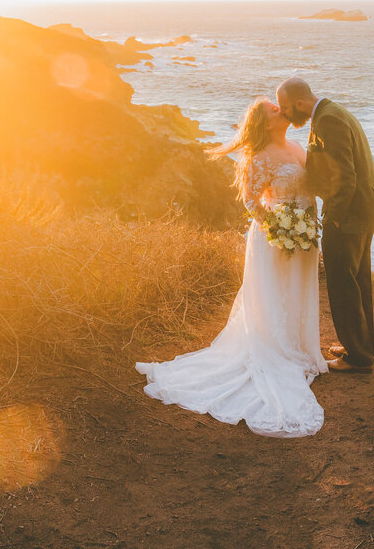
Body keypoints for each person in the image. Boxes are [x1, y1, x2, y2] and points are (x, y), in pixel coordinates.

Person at [135, 98, 328, 437]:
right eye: (274, 109)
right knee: (276, 294)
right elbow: (253, 201)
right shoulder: (257, 158)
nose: (282, 110)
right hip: (276, 237)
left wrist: (305, 224)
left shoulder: (298, 145)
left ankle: (299, 347)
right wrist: (280, 228)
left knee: (297, 289)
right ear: (265, 123)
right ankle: (278, 349)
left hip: (305, 230)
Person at [276, 78, 374, 372]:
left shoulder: (328, 121)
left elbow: (345, 177)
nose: (285, 114)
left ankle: (356, 358)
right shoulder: (331, 112)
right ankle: (359, 348)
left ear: (301, 102)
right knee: (357, 283)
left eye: (285, 107)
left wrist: (334, 217)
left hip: (348, 216)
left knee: (343, 285)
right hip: (361, 211)